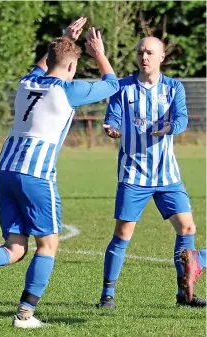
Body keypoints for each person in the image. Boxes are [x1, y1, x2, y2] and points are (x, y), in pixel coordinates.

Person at [0, 18, 120, 328]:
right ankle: (25, 315)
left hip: (4, 171)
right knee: (48, 245)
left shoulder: (27, 82)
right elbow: (112, 84)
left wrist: (63, 39)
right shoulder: (68, 90)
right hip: (36, 175)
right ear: (72, 68)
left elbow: (43, 64)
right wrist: (98, 52)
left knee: (15, 248)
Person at [98, 36, 206, 310]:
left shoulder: (173, 88)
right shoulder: (122, 88)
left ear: (161, 57)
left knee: (187, 228)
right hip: (133, 174)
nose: (144, 57)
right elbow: (112, 117)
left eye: (149, 52)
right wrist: (111, 128)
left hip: (167, 175)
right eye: (140, 52)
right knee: (123, 233)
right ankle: (107, 295)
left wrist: (170, 127)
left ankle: (184, 294)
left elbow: (182, 118)